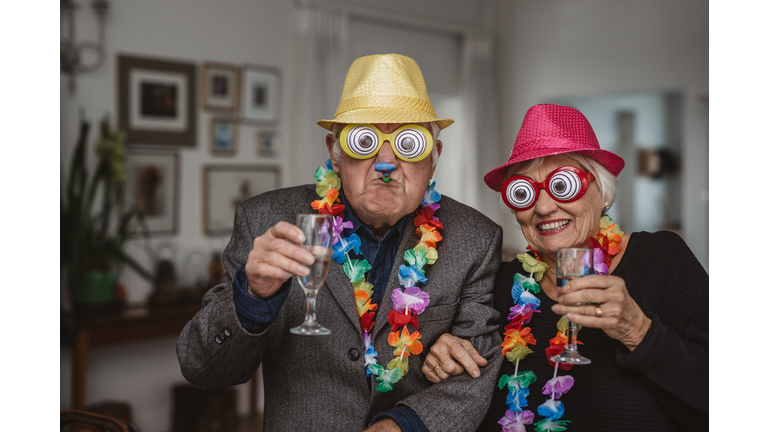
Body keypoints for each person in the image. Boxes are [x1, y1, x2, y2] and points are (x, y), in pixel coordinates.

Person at [176, 53, 504, 432]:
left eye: (408, 143)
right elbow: (202, 370)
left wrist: (403, 425)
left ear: (434, 157)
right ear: (335, 152)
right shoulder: (266, 221)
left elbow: (476, 369)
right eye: (364, 140)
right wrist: (253, 297)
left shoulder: (475, 238)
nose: (386, 162)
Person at [421, 104, 708, 431]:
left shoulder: (659, 258)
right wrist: (443, 356)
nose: (543, 207)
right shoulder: (502, 285)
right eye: (524, 192)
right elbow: (474, 389)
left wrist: (639, 332)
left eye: (563, 185)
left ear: (601, 191)